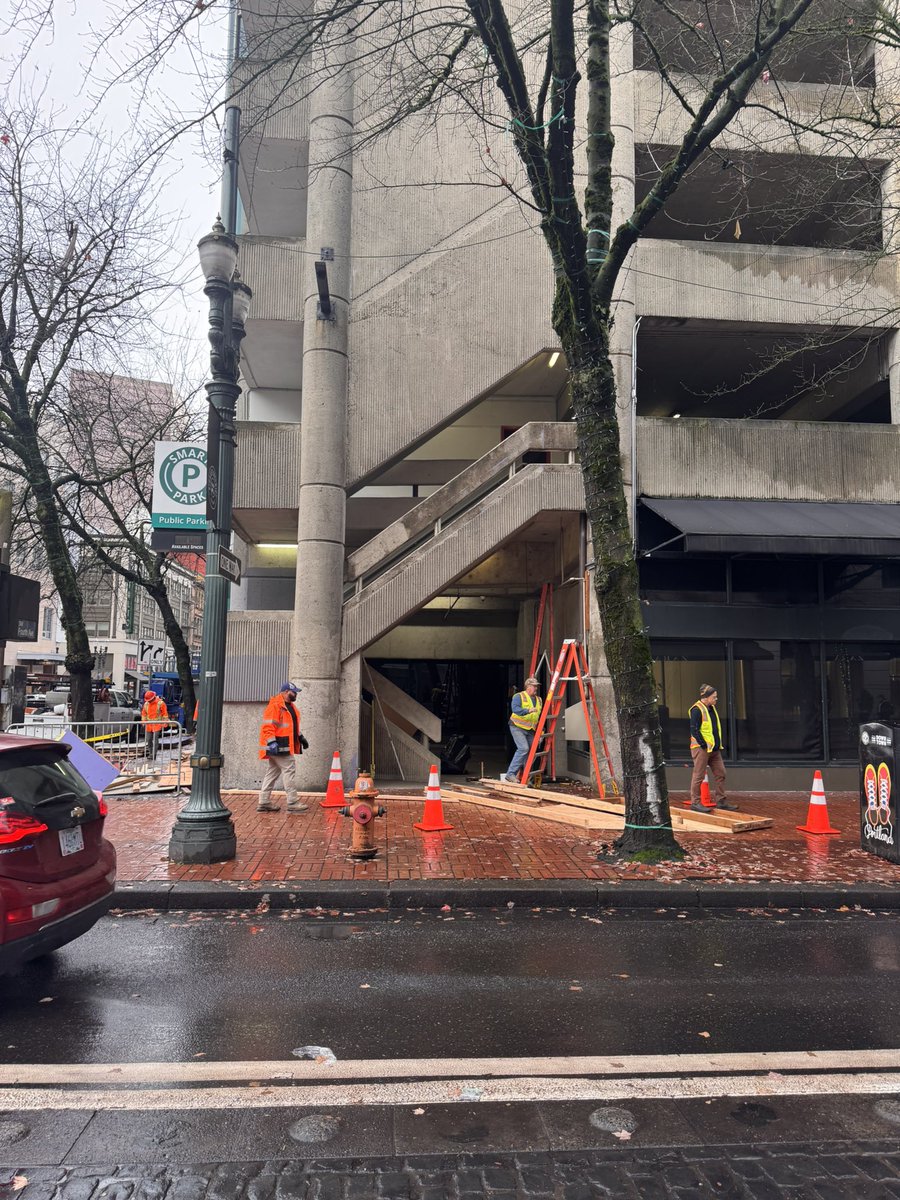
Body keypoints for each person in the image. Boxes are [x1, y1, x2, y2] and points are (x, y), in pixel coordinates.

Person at [258, 681, 310, 813]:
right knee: (289, 770)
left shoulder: (290, 707)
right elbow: (268, 726)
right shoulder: (276, 706)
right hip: (279, 746)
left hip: (281, 746)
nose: (296, 694)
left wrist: (301, 737)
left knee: (272, 773)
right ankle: (293, 802)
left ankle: (264, 802)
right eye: (294, 692)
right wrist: (271, 742)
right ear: (286, 692)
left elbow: (291, 727)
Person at [689, 684, 737, 812]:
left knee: (721, 773)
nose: (716, 699)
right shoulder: (697, 710)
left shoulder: (711, 708)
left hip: (714, 749)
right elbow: (694, 730)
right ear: (706, 697)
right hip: (702, 749)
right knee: (698, 775)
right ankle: (695, 802)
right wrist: (703, 745)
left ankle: (721, 801)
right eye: (714, 697)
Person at [504, 675, 543, 784]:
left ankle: (526, 778)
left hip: (530, 729)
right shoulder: (519, 696)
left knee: (531, 752)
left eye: (536, 686)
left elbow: (538, 718)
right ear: (528, 687)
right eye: (534, 686)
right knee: (523, 748)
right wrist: (528, 710)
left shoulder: (539, 700)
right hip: (517, 726)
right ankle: (510, 774)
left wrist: (540, 733)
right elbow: (515, 709)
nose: (536, 688)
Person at [141, 689, 168, 761]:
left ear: (153, 698)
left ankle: (153, 754)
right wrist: (143, 722)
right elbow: (144, 713)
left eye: (149, 700)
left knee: (155, 739)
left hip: (157, 724)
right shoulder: (146, 704)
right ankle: (150, 753)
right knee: (149, 739)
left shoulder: (161, 703)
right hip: (149, 724)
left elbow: (164, 714)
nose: (149, 701)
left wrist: (164, 723)